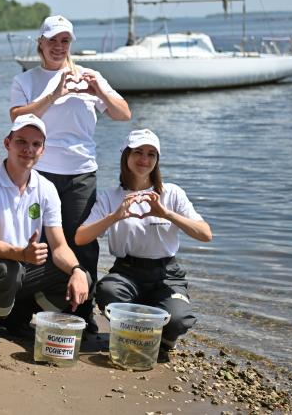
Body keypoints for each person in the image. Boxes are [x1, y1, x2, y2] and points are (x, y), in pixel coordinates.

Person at [9, 15, 131, 331]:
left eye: (64, 41)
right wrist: (54, 94)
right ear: (40, 43)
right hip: (40, 170)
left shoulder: (90, 76)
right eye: (52, 41)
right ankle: (25, 304)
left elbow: (123, 114)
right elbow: (16, 118)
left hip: (80, 172)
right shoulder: (27, 80)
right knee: (39, 239)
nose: (58, 47)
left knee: (82, 242)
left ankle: (82, 311)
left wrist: (99, 91)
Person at [75, 128, 213, 358]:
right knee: (108, 291)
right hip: (127, 271)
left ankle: (162, 337)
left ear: (157, 160)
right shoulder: (111, 197)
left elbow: (205, 234)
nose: (144, 159)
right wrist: (114, 217)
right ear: (125, 156)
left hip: (166, 273)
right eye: (138, 152)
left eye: (151, 154)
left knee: (178, 319)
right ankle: (138, 332)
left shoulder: (172, 193)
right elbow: (81, 237)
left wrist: (167, 214)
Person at [0, 114, 91, 344]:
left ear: (43, 150)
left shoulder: (46, 188)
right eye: (21, 141)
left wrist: (77, 270)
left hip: (23, 265)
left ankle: (17, 318)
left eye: (35, 144)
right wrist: (22, 254)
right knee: (8, 269)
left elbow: (59, 246)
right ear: (7, 143)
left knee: (80, 276)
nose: (28, 149)